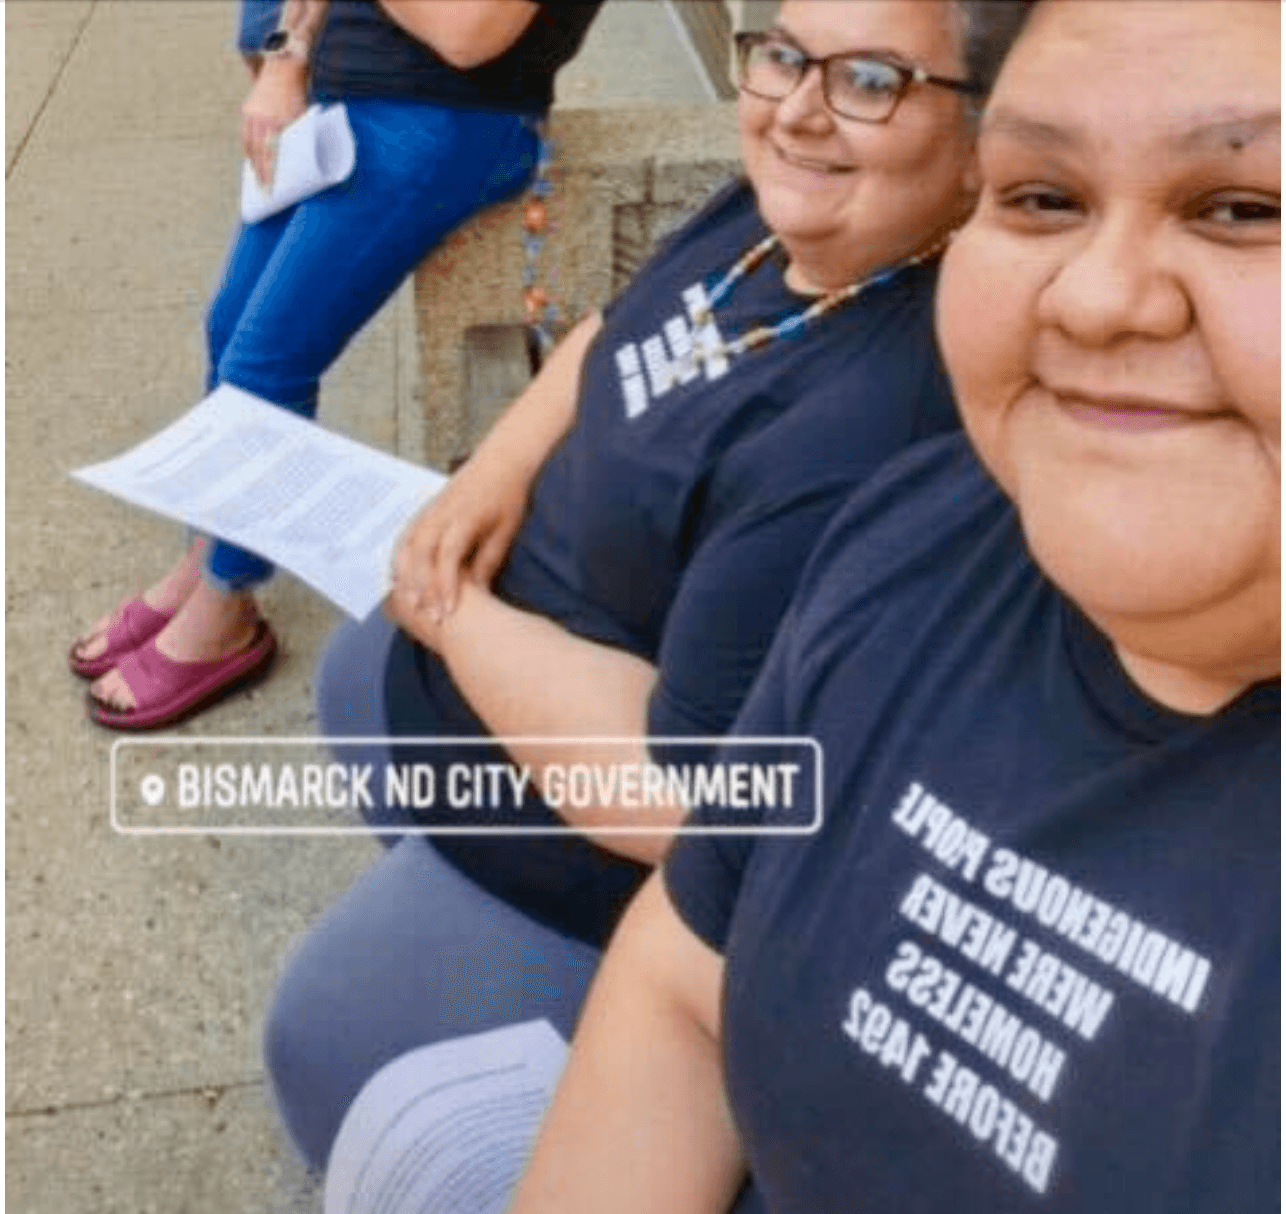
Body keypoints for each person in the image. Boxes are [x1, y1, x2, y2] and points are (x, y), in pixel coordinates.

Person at [511, 1, 1280, 1210]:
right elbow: (680, 974)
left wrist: (451, 613)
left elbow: (665, 786)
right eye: (1040, 195)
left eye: (1243, 208)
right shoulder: (917, 533)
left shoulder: (852, 443)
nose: (1092, 300)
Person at [264, 0, 1032, 1174]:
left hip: (586, 848)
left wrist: (454, 615)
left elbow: (677, 799)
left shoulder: (873, 417)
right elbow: (609, 330)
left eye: (869, 78)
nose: (796, 108)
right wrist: (497, 472)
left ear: (980, 135)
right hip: (480, 703)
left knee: (320, 1036)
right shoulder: (777, 222)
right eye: (778, 55)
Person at [71, 0, 603, 730]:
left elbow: (468, 34)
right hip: (342, 98)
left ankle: (227, 605)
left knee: (267, 361)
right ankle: (206, 554)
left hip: (453, 115)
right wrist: (287, 62)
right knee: (229, 328)